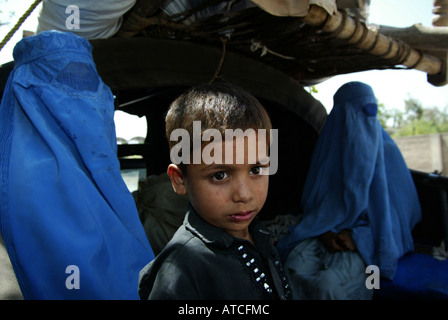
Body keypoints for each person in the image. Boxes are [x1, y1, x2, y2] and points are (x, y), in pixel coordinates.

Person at [138, 82, 292, 300]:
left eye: (256, 169)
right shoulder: (182, 269)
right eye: (220, 175)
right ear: (180, 180)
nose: (244, 195)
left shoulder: (258, 235)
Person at [276, 81, 422, 300]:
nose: (366, 118)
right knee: (293, 267)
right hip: (323, 235)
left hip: (366, 245)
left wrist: (358, 237)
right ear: (339, 116)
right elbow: (314, 205)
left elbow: (400, 222)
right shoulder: (328, 153)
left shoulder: (388, 153)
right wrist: (325, 231)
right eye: (355, 113)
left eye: (371, 111)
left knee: (329, 286)